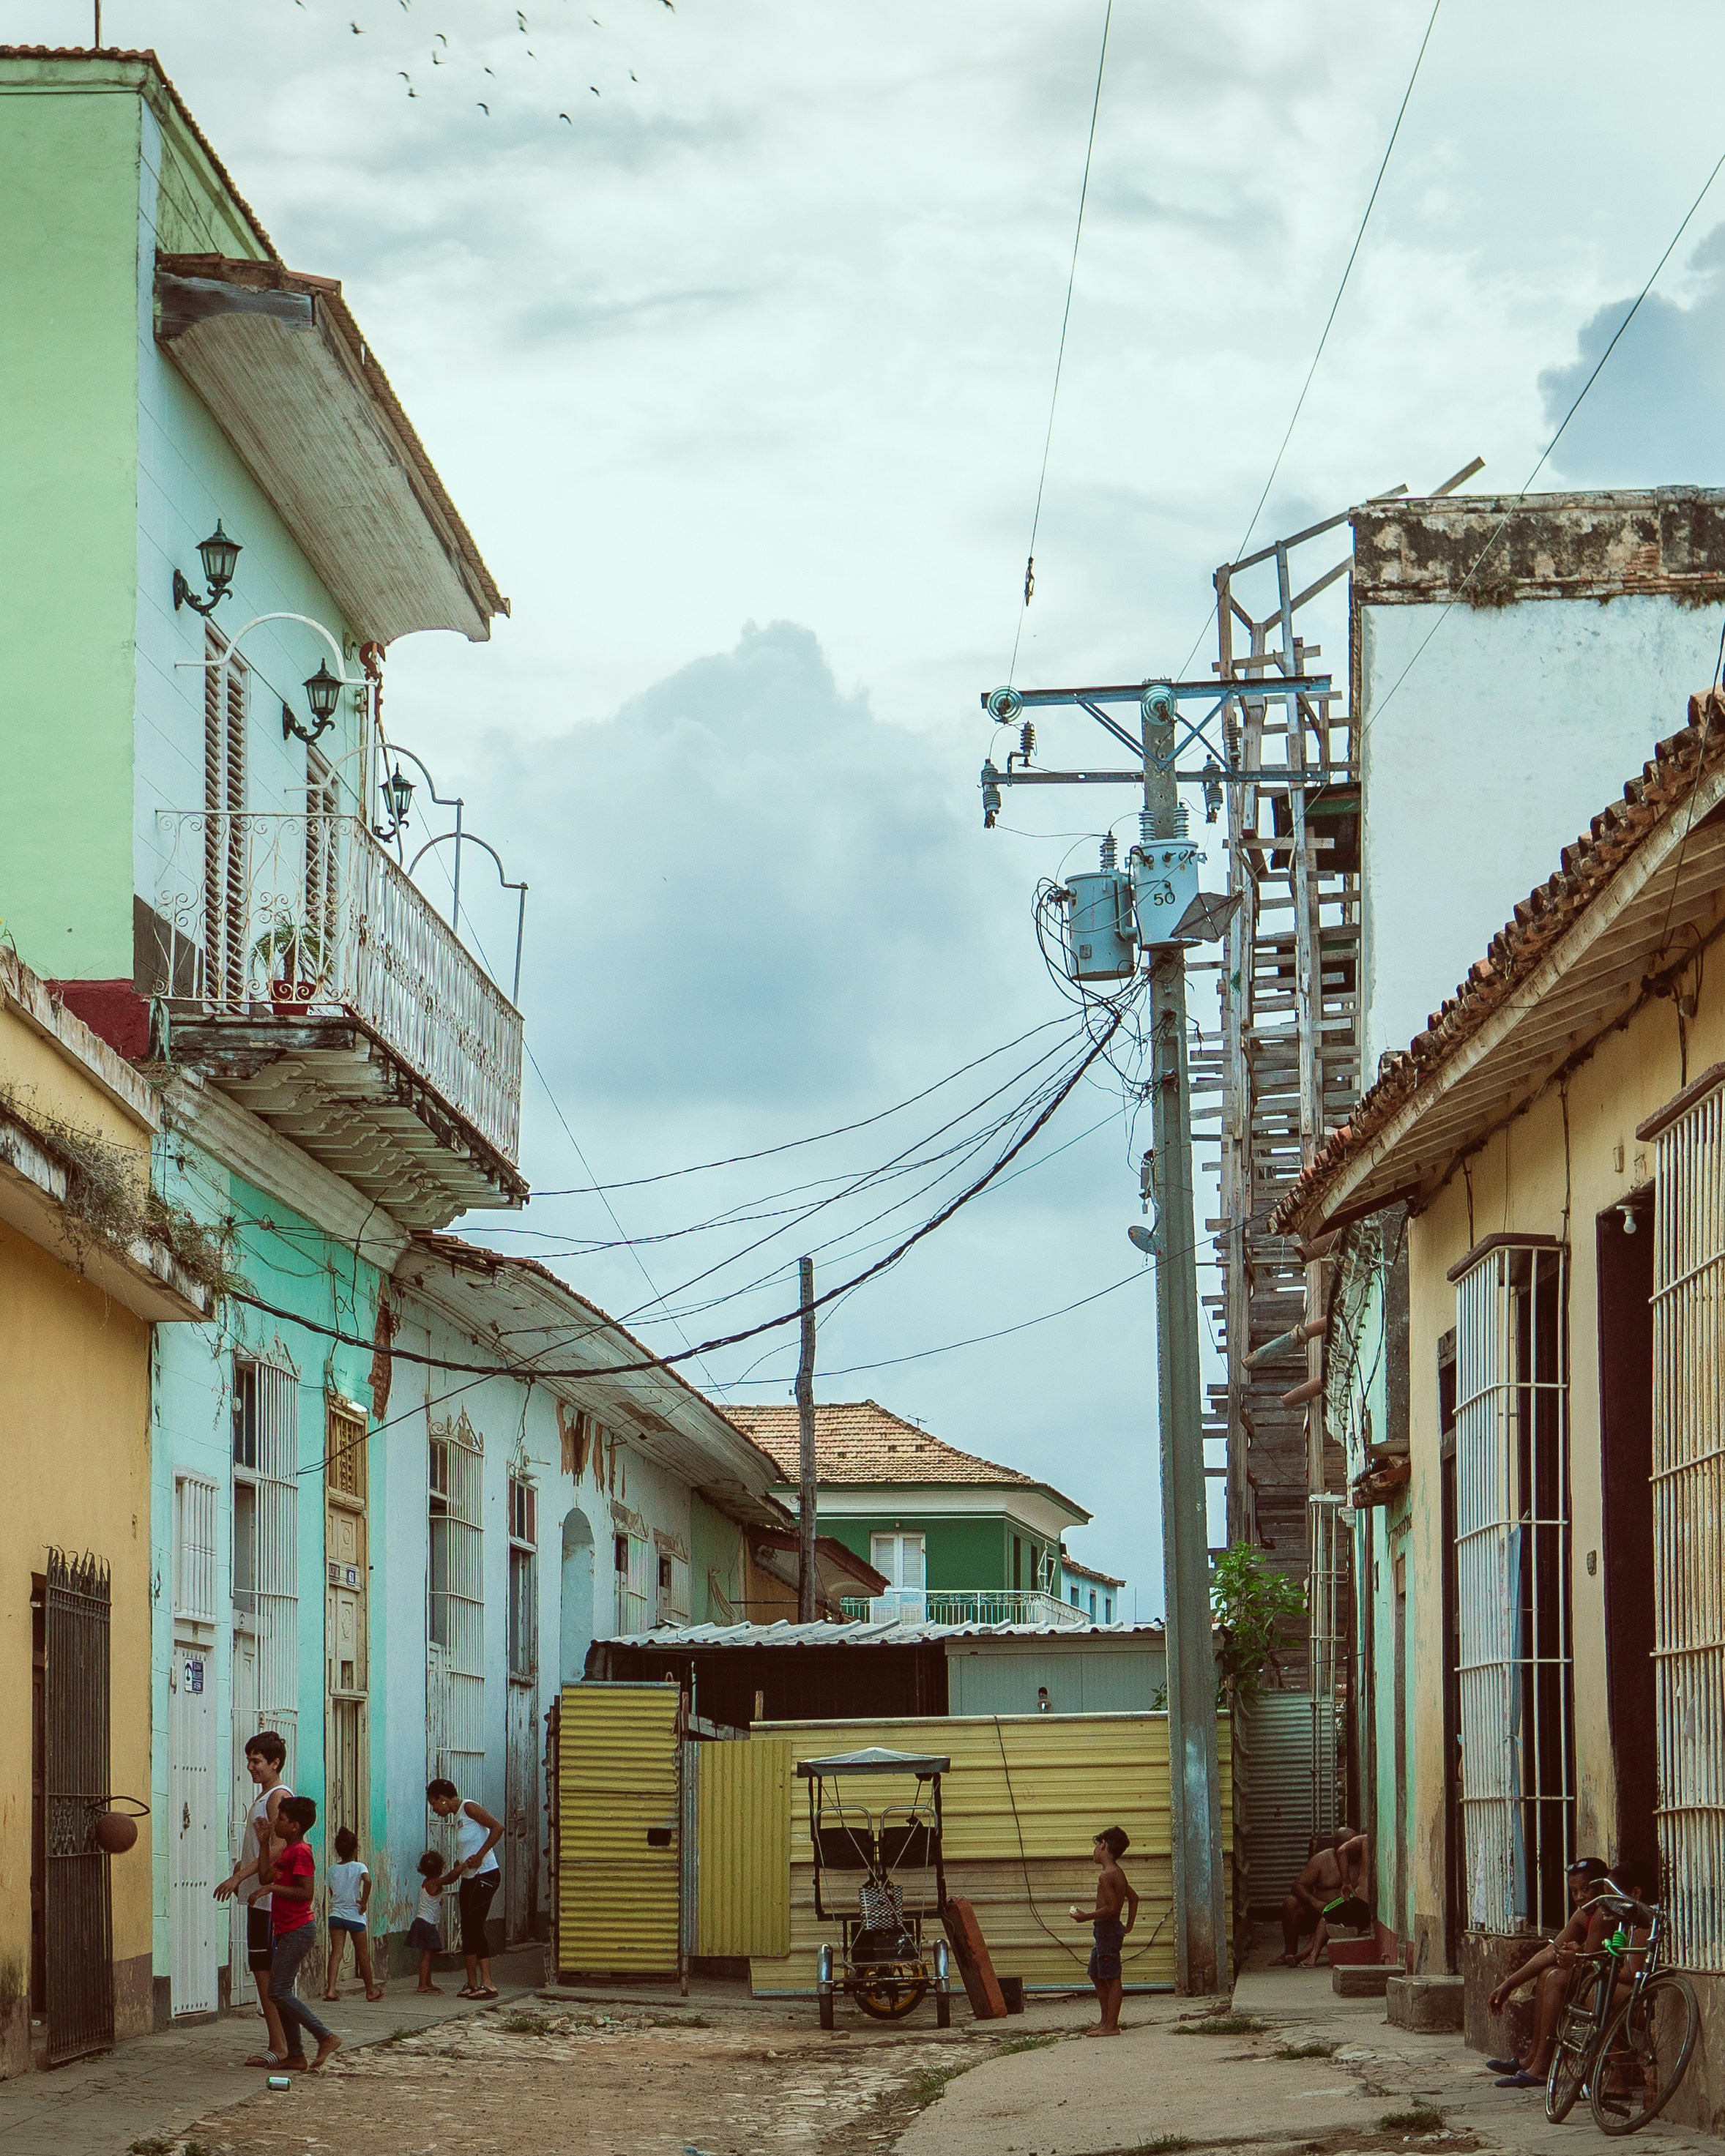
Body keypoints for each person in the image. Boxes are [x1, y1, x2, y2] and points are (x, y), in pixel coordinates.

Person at [1486, 1855, 1646, 2089]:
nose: (1580, 1897)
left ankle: (1542, 2066)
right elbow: (1550, 1952)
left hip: (1633, 1994)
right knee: (1547, 1972)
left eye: (1586, 1890)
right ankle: (1534, 2059)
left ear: (1602, 1888)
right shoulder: (1587, 1913)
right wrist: (1509, 1984)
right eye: (1574, 1892)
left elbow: (1597, 1965)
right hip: (1613, 1980)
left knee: (1558, 1978)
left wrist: (1579, 1958)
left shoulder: (1605, 1914)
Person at [213, 1731, 294, 2069]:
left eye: (257, 1761)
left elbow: (277, 1848)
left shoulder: (278, 1796)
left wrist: (239, 1877)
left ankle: (281, 2045)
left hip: (268, 1900)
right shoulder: (265, 1796)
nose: (250, 1766)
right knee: (263, 1970)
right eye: (248, 1760)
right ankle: (282, 2043)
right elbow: (260, 1848)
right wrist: (242, 1867)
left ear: (275, 1763)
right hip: (258, 1899)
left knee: (267, 1973)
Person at [257, 1795, 342, 2072]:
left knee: (278, 1991)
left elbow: (306, 1893)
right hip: (285, 1930)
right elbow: (265, 1876)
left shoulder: (301, 1852)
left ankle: (324, 2036)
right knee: (281, 1993)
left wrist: (272, 1889)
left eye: (281, 1819)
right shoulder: (287, 1851)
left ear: (294, 1826)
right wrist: (263, 1844)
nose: (276, 1823)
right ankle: (296, 2055)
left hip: (298, 1930)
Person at [428, 1778, 504, 2000]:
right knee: (468, 1927)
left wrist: (480, 1856)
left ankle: (488, 1984)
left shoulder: (469, 1807)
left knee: (475, 1926)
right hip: (470, 1877)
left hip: (486, 1874)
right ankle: (471, 1983)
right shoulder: (458, 1817)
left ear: (442, 1799)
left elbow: (498, 1827)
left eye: (433, 1804)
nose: (434, 1810)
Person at [1068, 1825, 1140, 2036]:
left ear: (1103, 1845)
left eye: (1095, 1846)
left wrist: (1084, 1917)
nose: (1093, 1851)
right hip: (1104, 1932)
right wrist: (1128, 1926)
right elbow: (1134, 1898)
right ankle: (1105, 2019)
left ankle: (1112, 2026)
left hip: (1107, 1931)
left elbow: (1112, 1909)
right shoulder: (1118, 1873)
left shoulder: (1107, 1876)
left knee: (1112, 1977)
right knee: (1096, 1973)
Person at [1278, 1827, 1369, 1966]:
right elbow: (1298, 1885)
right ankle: (1289, 1952)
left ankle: (1303, 1956)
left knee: (1328, 1918)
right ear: (1338, 1846)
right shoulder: (1321, 1860)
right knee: (1291, 1903)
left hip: (1342, 1913)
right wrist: (1314, 1902)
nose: (1353, 1850)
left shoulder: (1361, 1859)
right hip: (1318, 1910)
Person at [322, 1826, 384, 2002]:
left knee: (336, 1952)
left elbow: (332, 1894)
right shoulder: (359, 1866)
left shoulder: (332, 1870)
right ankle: (370, 1990)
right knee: (362, 1954)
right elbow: (368, 1881)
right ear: (355, 1850)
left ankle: (331, 1990)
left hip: (336, 1915)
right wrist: (364, 1902)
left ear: (338, 1851)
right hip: (355, 1915)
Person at [409, 1849, 450, 1994]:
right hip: (426, 1923)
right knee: (427, 1956)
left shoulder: (427, 1882)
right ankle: (422, 1985)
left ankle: (428, 1982)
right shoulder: (433, 1883)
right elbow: (450, 1878)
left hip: (425, 1922)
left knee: (429, 1954)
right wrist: (461, 1867)